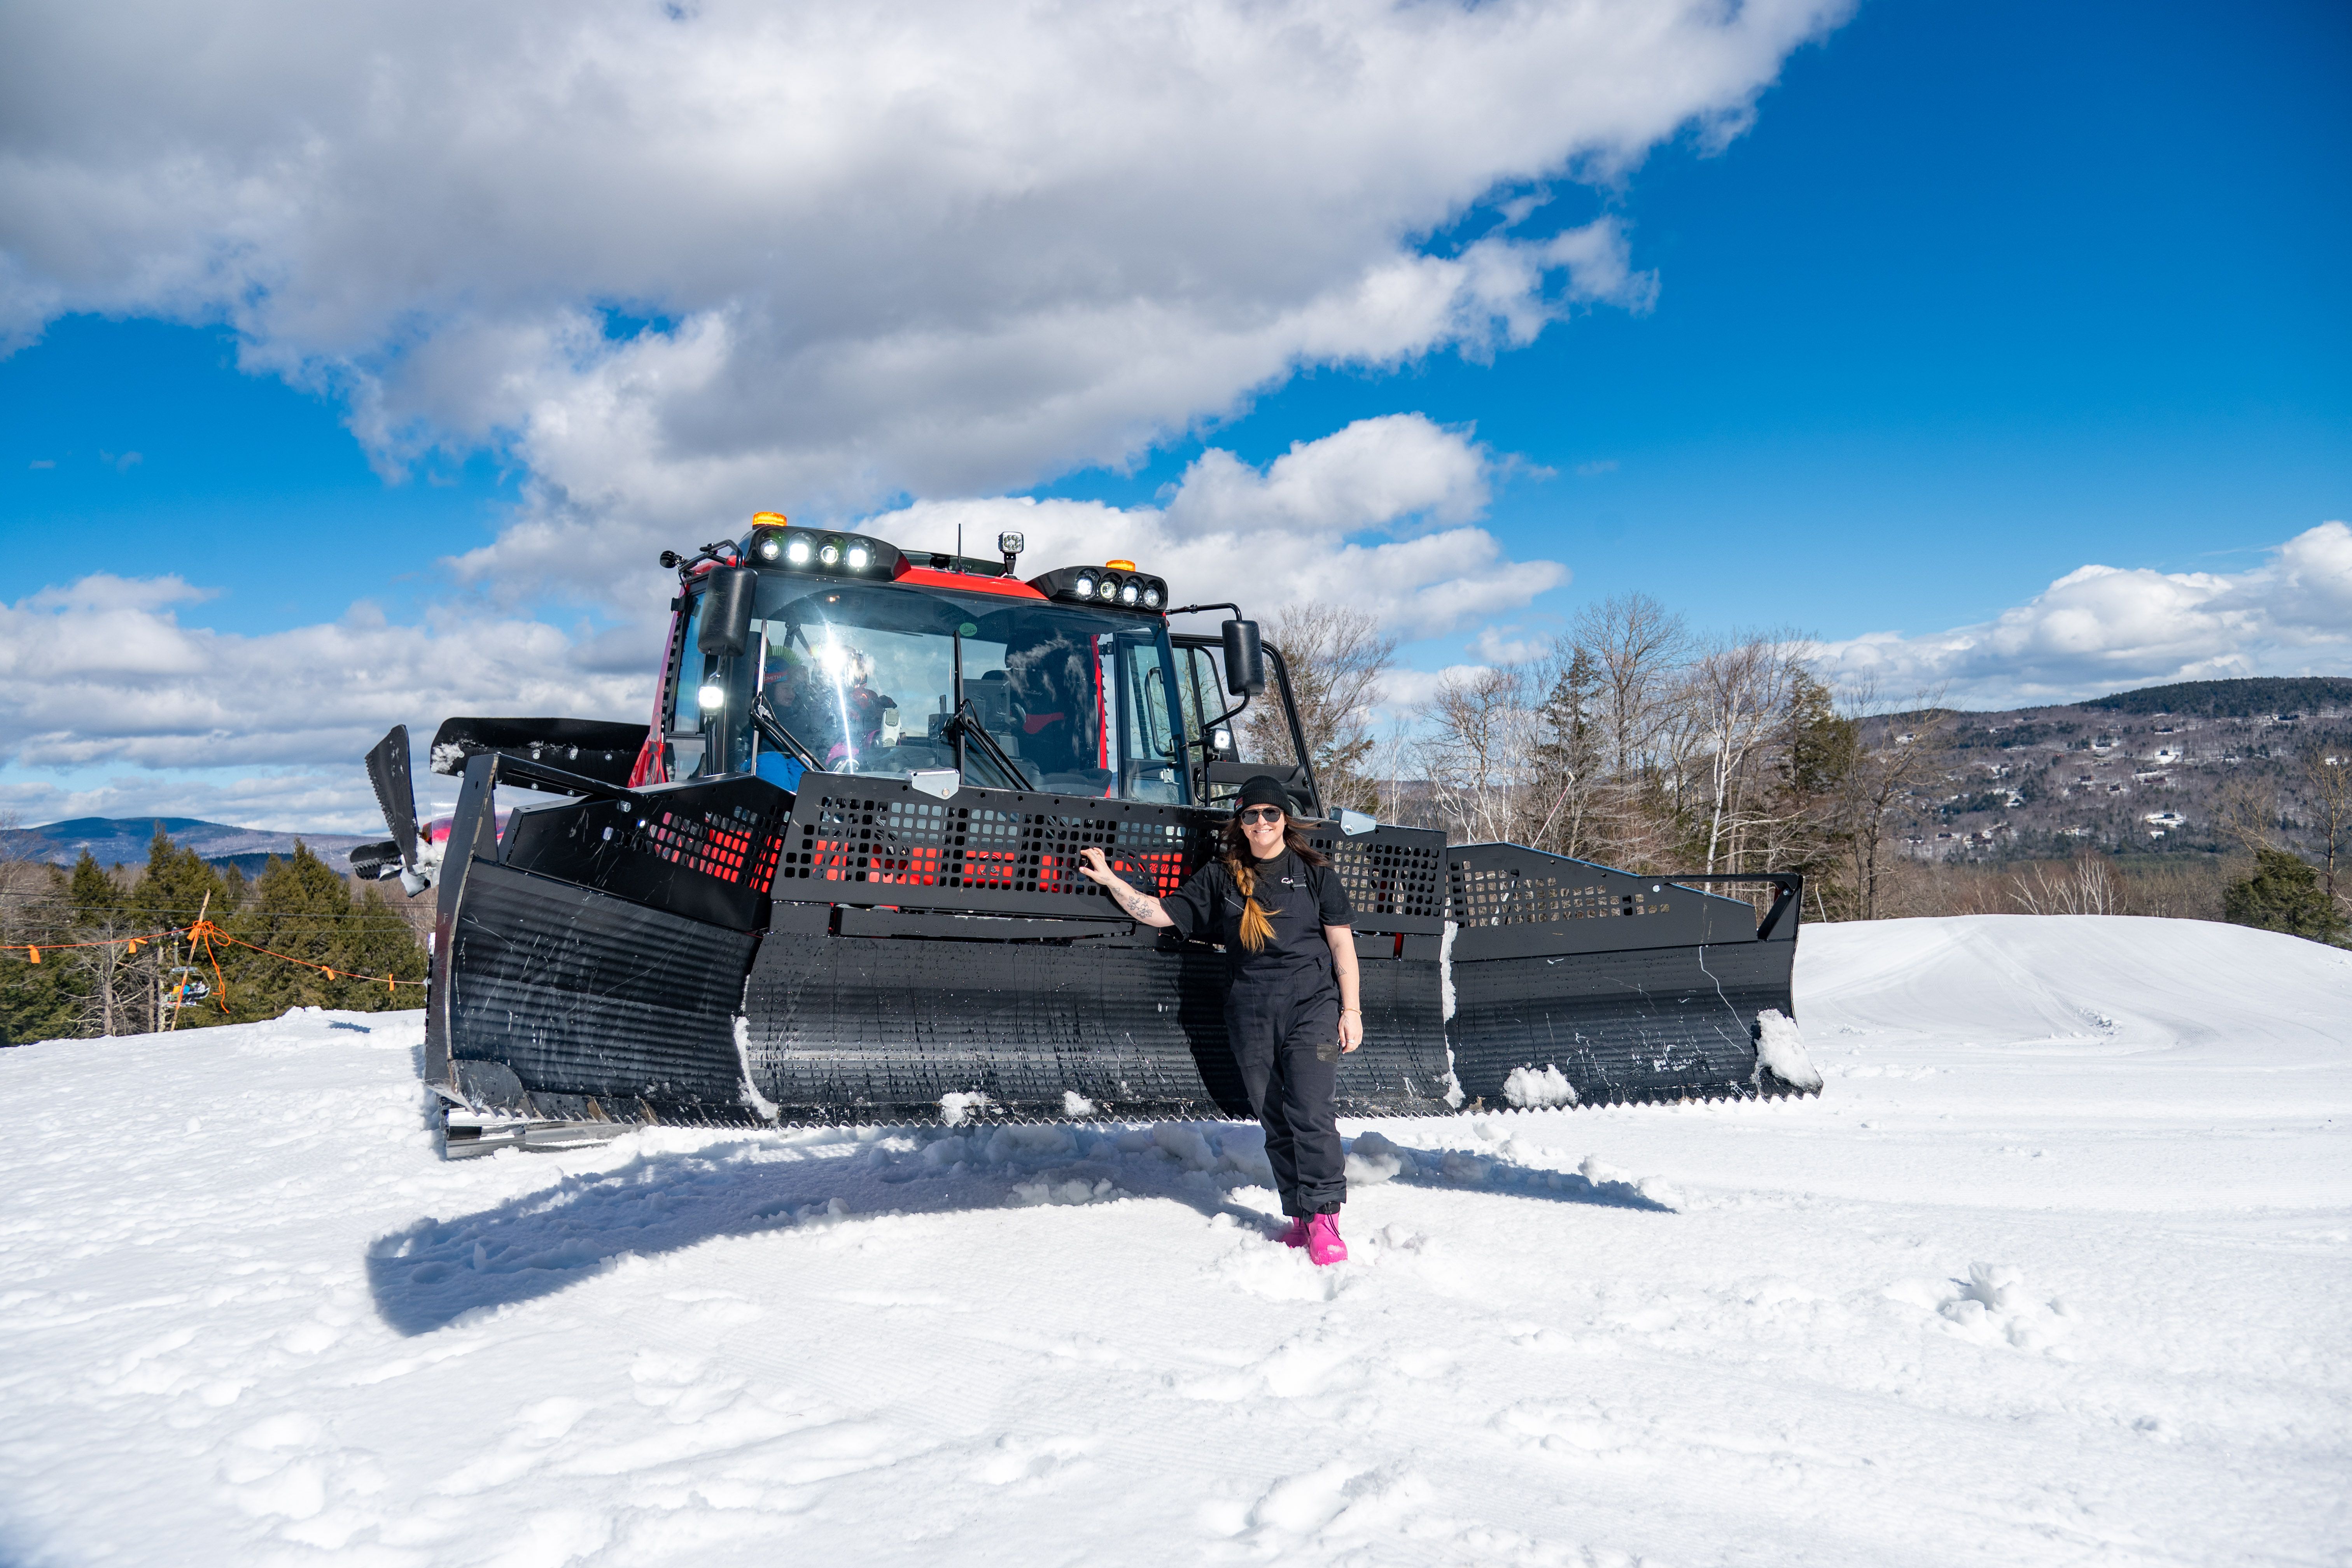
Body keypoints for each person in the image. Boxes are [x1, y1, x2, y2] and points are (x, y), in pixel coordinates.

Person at [1077, 775, 1363, 1265]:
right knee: (1275, 1119)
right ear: (1241, 821)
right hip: (1250, 1013)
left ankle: (1324, 1219)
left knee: (1311, 1113)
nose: (1260, 823)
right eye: (1250, 815)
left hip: (1311, 1008)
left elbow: (1342, 945)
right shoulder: (1222, 876)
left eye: (1269, 814)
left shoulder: (1316, 874)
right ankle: (1298, 1215)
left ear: (1284, 819)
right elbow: (1162, 914)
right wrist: (1112, 881)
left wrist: (1351, 1010)